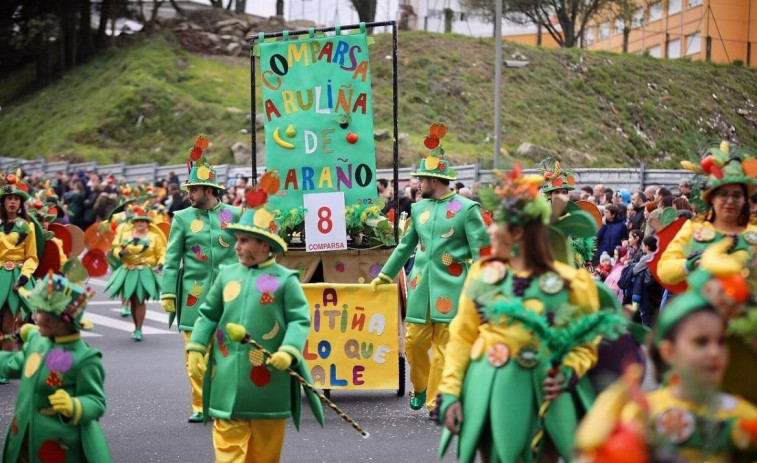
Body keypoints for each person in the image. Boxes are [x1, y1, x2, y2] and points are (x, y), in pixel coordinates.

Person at [437, 164, 600, 463]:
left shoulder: (571, 282)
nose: (489, 229)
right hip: (487, 385)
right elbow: (461, 336)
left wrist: (569, 369)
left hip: (546, 391)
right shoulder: (482, 274)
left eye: (496, 222)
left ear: (517, 232)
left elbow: (587, 339)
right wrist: (450, 391)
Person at [186, 182, 323, 462]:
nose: (236, 246)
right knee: (227, 451)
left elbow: (299, 320)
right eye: (236, 240)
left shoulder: (286, 281)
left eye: (243, 240)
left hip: (268, 385)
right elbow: (208, 315)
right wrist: (196, 347)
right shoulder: (226, 275)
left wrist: (289, 351)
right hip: (226, 382)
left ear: (264, 244)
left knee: (264, 455)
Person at [575, 267, 757, 463]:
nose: (715, 352)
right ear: (668, 351)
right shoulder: (642, 414)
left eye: (721, 342)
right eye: (701, 342)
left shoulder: (745, 418)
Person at [371, 124, 488, 413]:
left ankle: (437, 401)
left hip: (454, 290)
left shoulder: (468, 210)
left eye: (421, 179)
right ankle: (421, 387)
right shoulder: (418, 210)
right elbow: (405, 246)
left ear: (434, 181)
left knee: (445, 351)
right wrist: (385, 274)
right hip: (420, 289)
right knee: (413, 344)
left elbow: (483, 254)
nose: (417, 183)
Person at [160, 138, 241, 423]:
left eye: (193, 189)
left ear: (209, 189)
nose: (189, 193)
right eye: (189, 189)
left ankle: (225, 400)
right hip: (193, 295)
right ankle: (200, 404)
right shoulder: (181, 218)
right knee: (194, 355)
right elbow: (171, 259)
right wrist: (168, 293)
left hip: (228, 296)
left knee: (227, 352)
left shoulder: (236, 215)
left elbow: (247, 253)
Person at [0, 273, 111, 463]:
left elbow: (96, 401)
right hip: (24, 440)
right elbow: (15, 364)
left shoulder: (85, 358)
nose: (34, 317)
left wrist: (74, 405)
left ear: (60, 320)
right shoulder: (37, 341)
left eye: (41, 312)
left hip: (61, 446)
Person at [106, 205, 166, 341]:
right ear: (133, 223)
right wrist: (121, 253)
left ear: (147, 223)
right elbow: (115, 248)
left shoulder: (155, 237)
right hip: (128, 270)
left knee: (140, 300)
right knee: (132, 300)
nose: (140, 223)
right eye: (137, 221)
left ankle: (139, 329)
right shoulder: (126, 235)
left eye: (143, 221)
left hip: (145, 272)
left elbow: (162, 253)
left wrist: (160, 266)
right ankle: (135, 326)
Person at [0, 172, 38, 385]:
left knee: (8, 325)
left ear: (20, 203)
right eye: (9, 199)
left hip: (16, 276)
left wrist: (24, 277)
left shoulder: (28, 226)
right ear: (3, 202)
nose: (12, 202)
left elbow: (32, 256)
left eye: (16, 199)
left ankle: (4, 367)